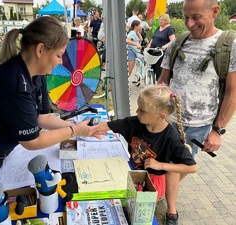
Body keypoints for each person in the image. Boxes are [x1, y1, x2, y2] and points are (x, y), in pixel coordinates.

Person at [0, 17, 100, 207]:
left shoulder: (36, 72)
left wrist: (74, 126)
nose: (61, 62)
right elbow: (32, 141)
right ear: (40, 49)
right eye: (59, 55)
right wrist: (74, 131)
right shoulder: (15, 85)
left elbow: (41, 118)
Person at [94, 85, 198, 225]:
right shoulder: (134, 122)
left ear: (161, 116)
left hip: (153, 183)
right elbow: (109, 125)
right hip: (133, 175)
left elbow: (192, 168)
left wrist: (159, 165)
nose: (137, 112)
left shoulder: (171, 137)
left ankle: (171, 212)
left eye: (142, 110)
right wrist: (89, 128)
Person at [158, 0, 236, 157]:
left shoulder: (230, 45)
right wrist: (155, 111)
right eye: (186, 17)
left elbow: (232, 92)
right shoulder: (177, 43)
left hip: (199, 128)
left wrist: (217, 131)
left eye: (196, 17)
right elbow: (163, 83)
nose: (190, 24)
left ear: (214, 11)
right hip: (167, 121)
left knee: (176, 170)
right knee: (160, 167)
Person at [147, 14, 175, 81]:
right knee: (152, 67)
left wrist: (165, 46)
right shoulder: (158, 28)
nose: (160, 21)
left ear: (166, 20)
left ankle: (160, 86)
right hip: (153, 51)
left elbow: (173, 40)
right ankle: (153, 83)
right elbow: (153, 38)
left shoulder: (169, 29)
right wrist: (149, 45)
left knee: (159, 70)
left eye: (161, 19)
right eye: (159, 19)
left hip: (161, 52)